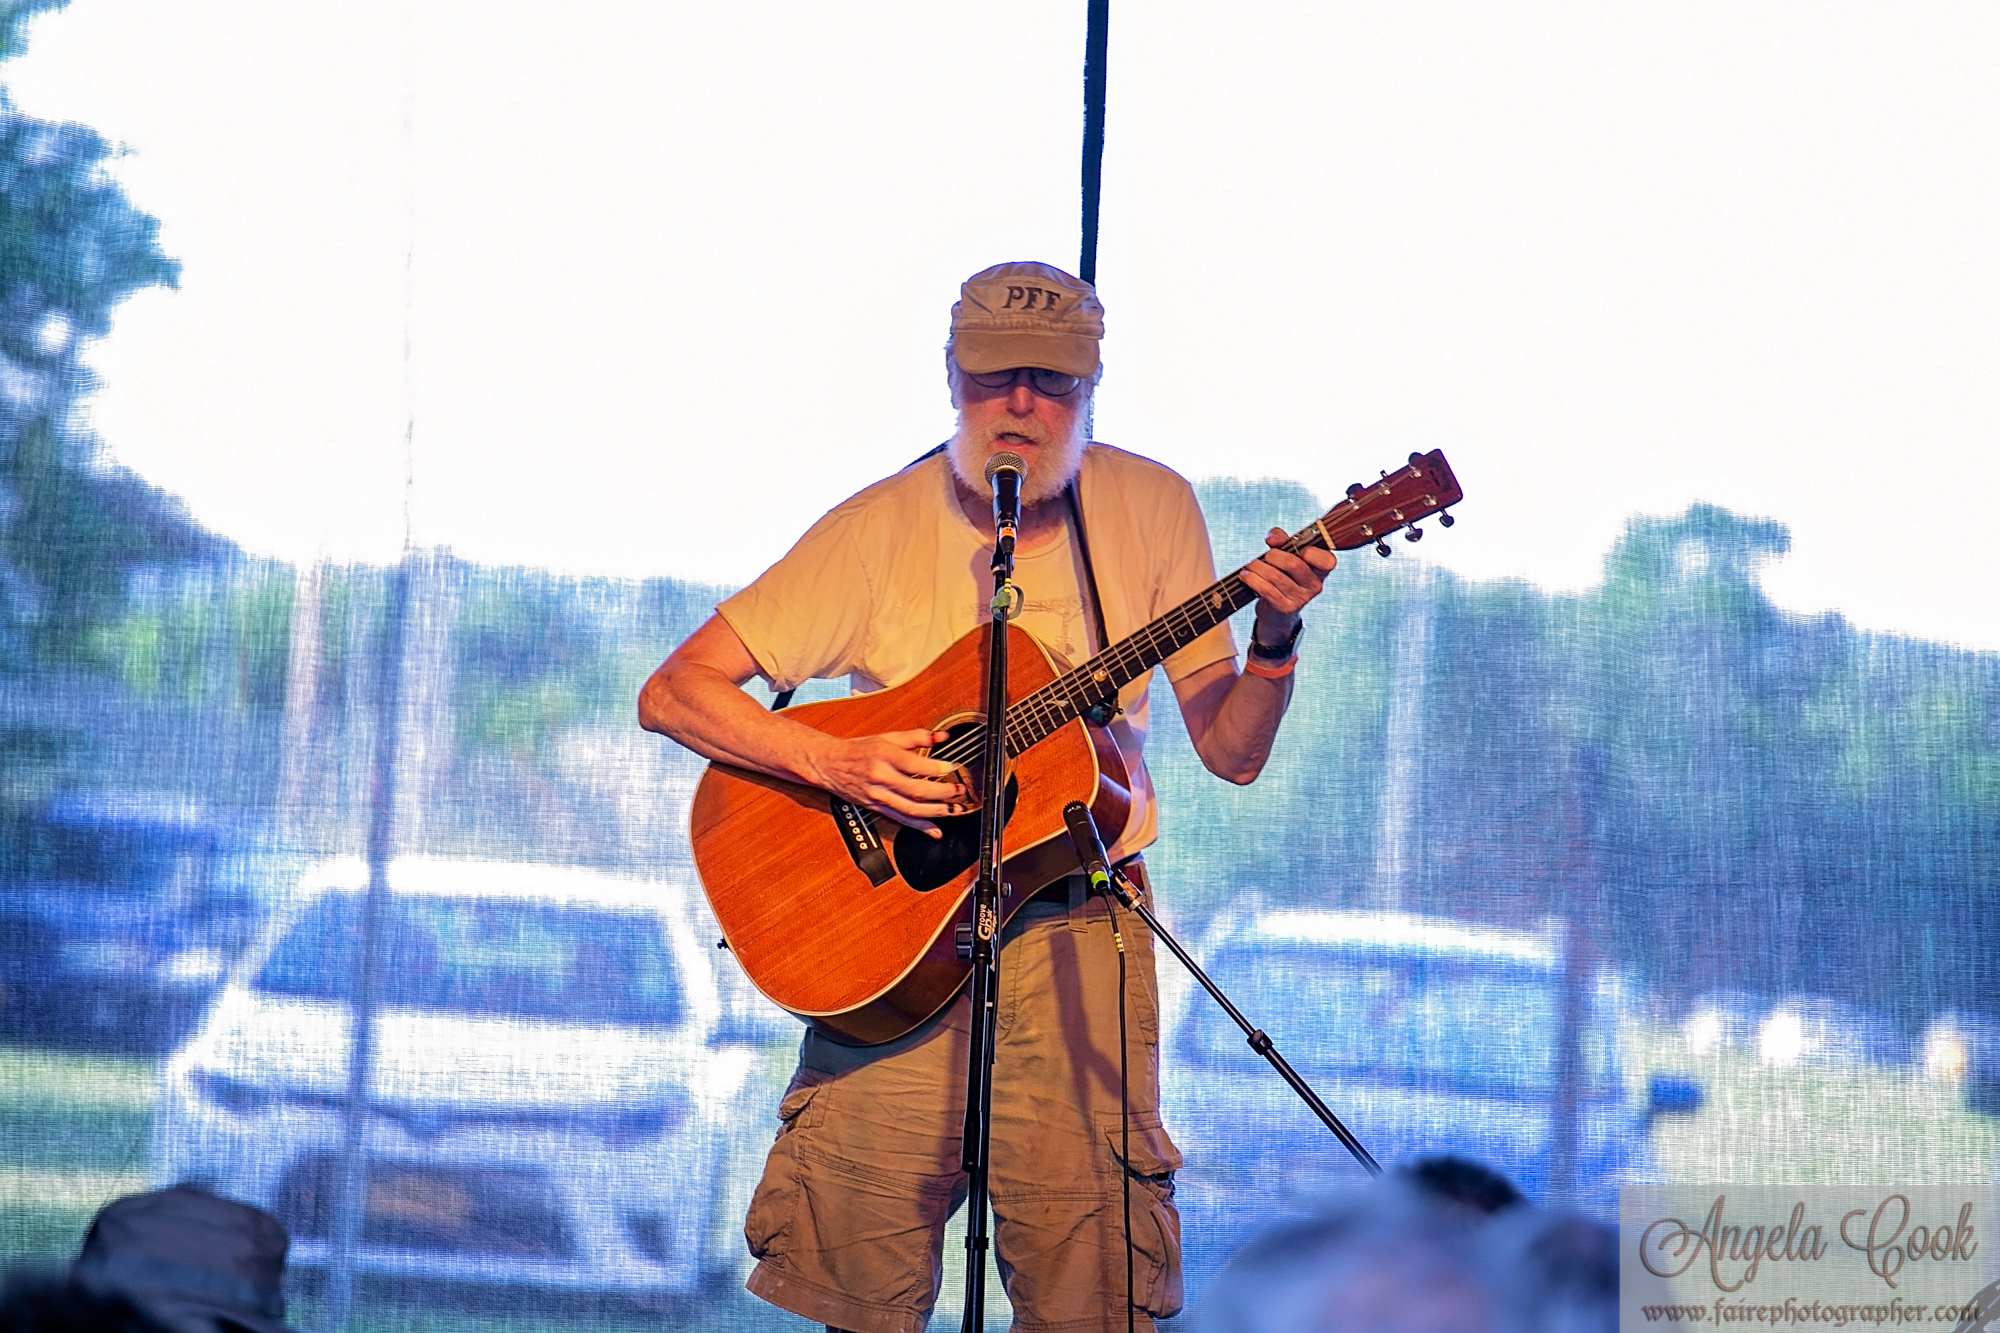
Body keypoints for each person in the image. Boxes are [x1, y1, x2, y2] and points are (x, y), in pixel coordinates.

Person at [639, 260, 1335, 1333]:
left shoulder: (1152, 509)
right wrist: (837, 764)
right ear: (950, 375)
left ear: (1090, 386)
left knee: (1090, 1285)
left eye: (1050, 381)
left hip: (1077, 921)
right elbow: (674, 691)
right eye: (993, 375)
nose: (1019, 404)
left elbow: (1231, 754)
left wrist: (1274, 637)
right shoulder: (878, 526)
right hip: (891, 931)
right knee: (856, 1282)